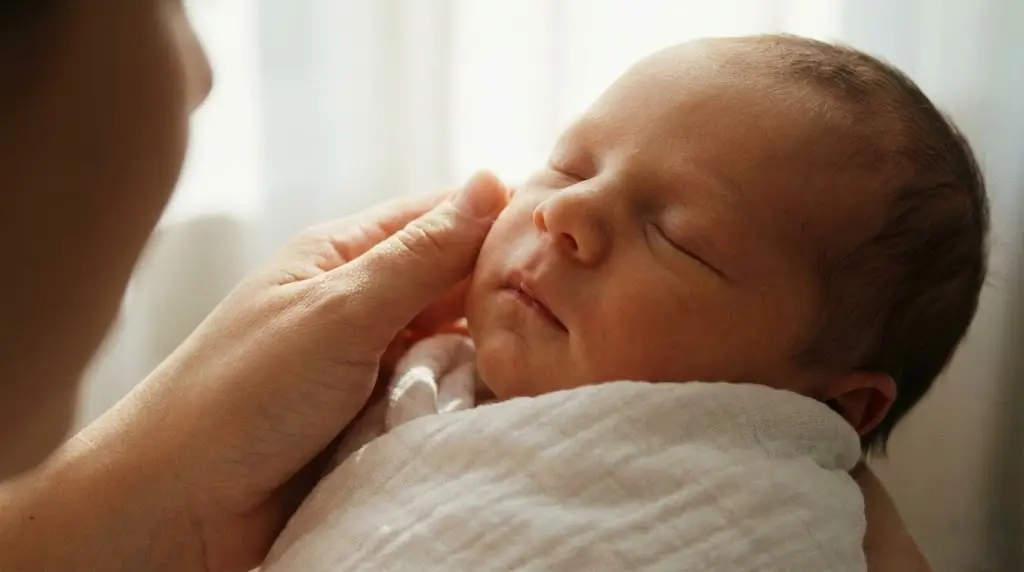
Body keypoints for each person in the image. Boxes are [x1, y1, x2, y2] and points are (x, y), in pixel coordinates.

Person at [0, 3, 930, 571]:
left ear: (835, 404)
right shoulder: (401, 387)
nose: (566, 216)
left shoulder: (769, 501)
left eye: (680, 239)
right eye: (568, 166)